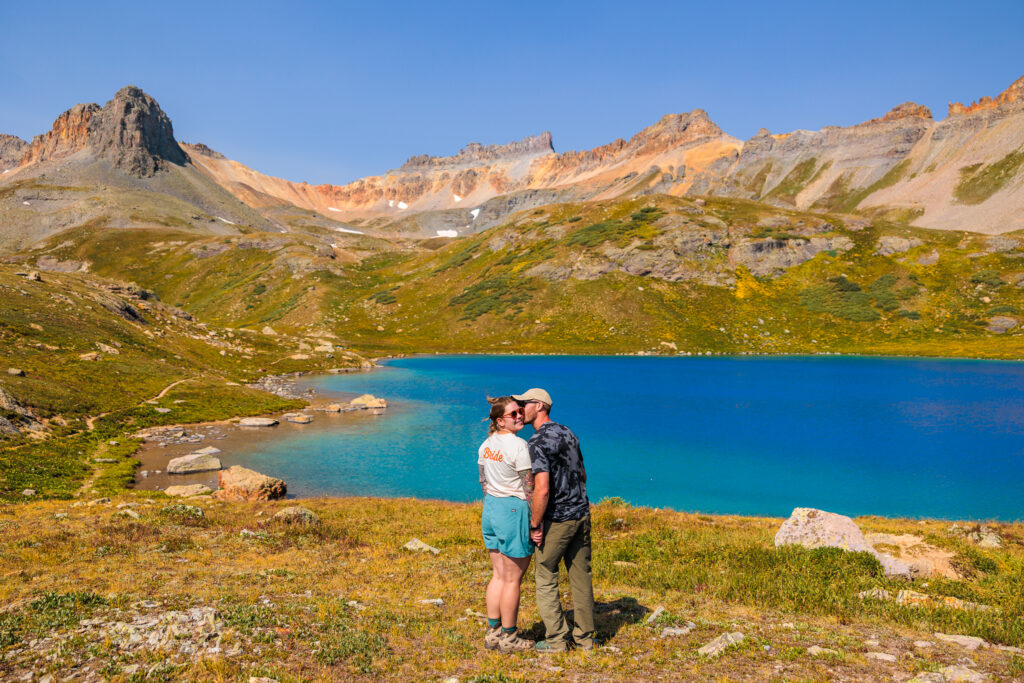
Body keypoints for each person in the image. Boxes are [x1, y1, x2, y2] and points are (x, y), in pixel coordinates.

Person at [515, 387, 595, 652]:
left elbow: (543, 488)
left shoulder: (536, 442)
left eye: (524, 403)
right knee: (581, 575)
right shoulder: (568, 432)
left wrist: (535, 523)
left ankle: (557, 640)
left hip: (558, 519)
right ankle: (586, 639)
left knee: (546, 574)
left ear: (539, 406)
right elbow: (581, 472)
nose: (520, 408)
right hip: (581, 513)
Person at [477, 396, 535, 653]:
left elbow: (483, 481)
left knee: (498, 575)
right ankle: (510, 637)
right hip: (513, 509)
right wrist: (535, 520)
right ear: (500, 421)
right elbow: (529, 486)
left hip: (491, 508)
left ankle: (494, 632)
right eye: (513, 414)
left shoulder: (485, 445)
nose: (520, 416)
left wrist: (495, 500)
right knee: (512, 579)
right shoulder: (519, 446)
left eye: (520, 411)